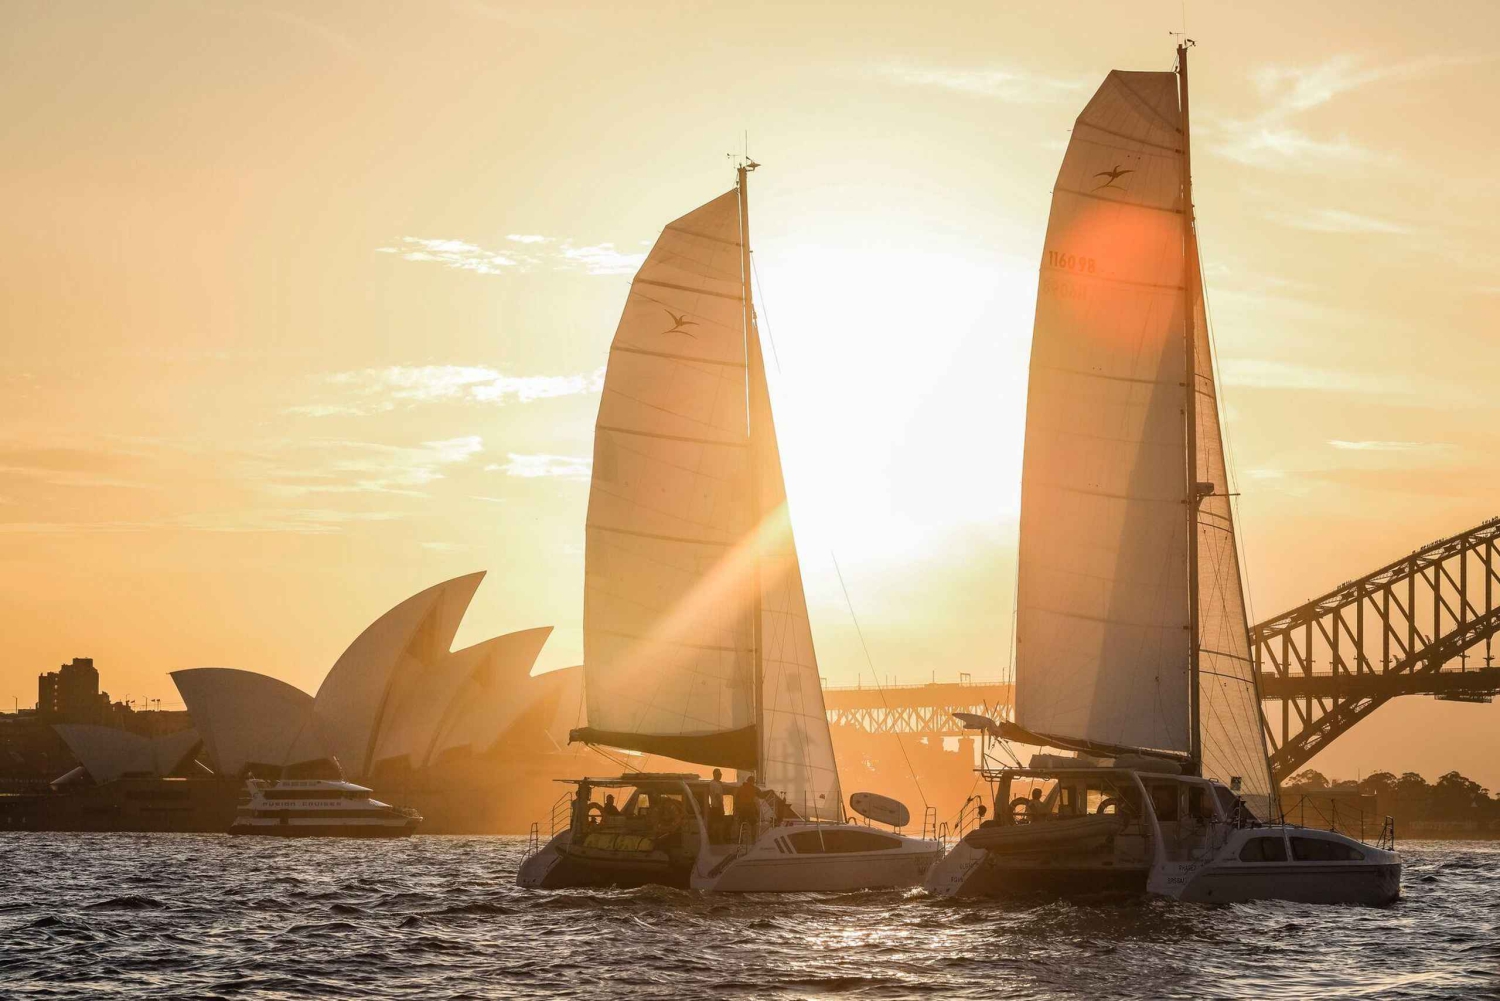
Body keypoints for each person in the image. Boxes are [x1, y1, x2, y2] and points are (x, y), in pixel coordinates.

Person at [707, 769, 727, 841]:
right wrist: (722, 808)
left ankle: (715, 839)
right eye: (719, 774)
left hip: (715, 807)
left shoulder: (714, 783)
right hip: (717, 807)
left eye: (720, 774)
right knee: (719, 824)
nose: (720, 776)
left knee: (716, 824)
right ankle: (719, 839)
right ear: (714, 775)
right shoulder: (715, 784)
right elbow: (717, 796)